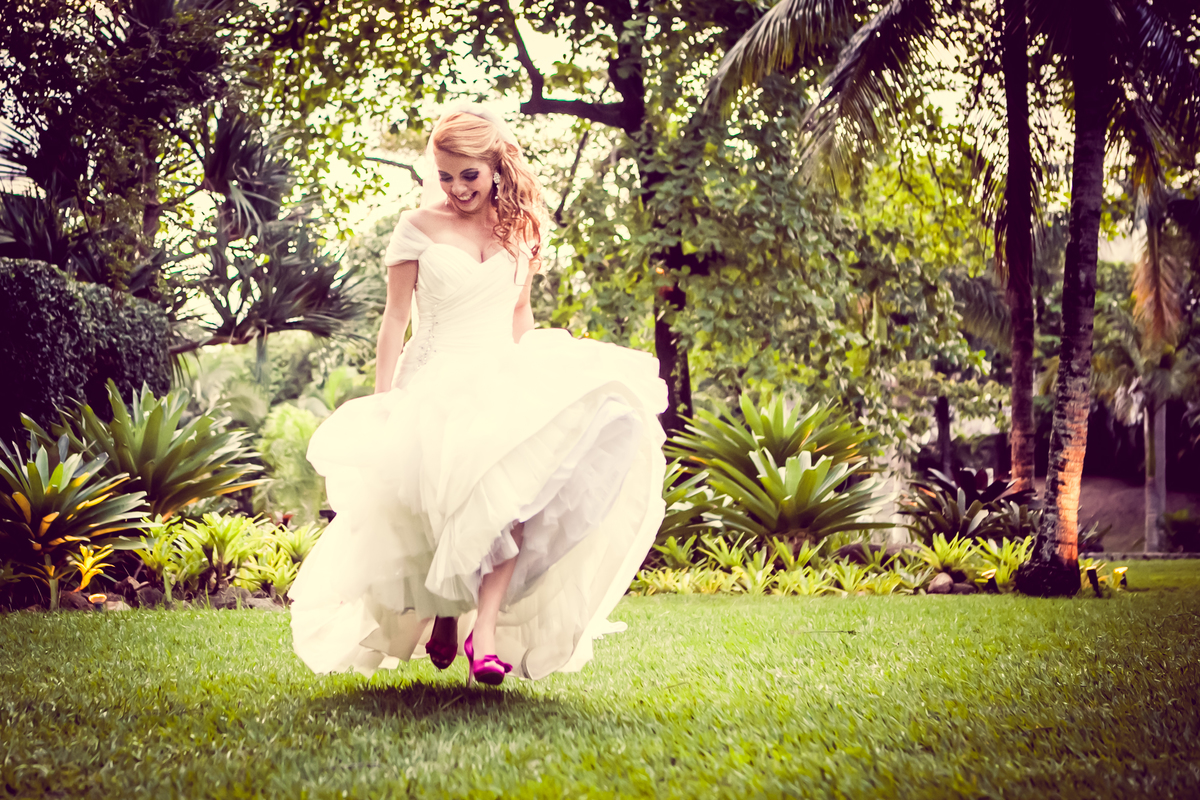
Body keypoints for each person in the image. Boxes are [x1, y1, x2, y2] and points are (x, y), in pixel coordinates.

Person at [288, 104, 667, 686]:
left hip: (499, 375)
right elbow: (394, 321)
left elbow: (519, 312)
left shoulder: (524, 229)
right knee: (436, 514)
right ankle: (444, 615)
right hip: (434, 379)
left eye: (470, 175)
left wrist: (536, 377)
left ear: (495, 167)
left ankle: (482, 634)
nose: (458, 188)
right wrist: (384, 398)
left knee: (510, 504)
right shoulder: (416, 228)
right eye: (445, 175)